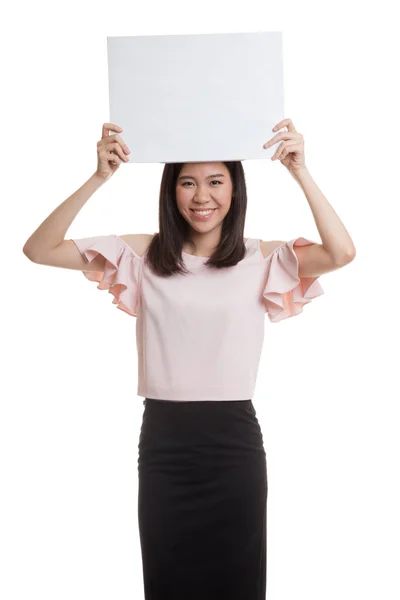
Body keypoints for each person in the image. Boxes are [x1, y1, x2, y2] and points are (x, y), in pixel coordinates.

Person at [22, 120, 356, 599]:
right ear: (171, 191)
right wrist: (99, 176)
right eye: (188, 182)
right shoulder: (144, 254)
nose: (203, 196)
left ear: (235, 191)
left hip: (233, 445)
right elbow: (38, 249)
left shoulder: (262, 257)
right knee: (168, 582)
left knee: (237, 585)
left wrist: (301, 173)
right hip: (165, 445)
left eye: (216, 181)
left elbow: (342, 252)